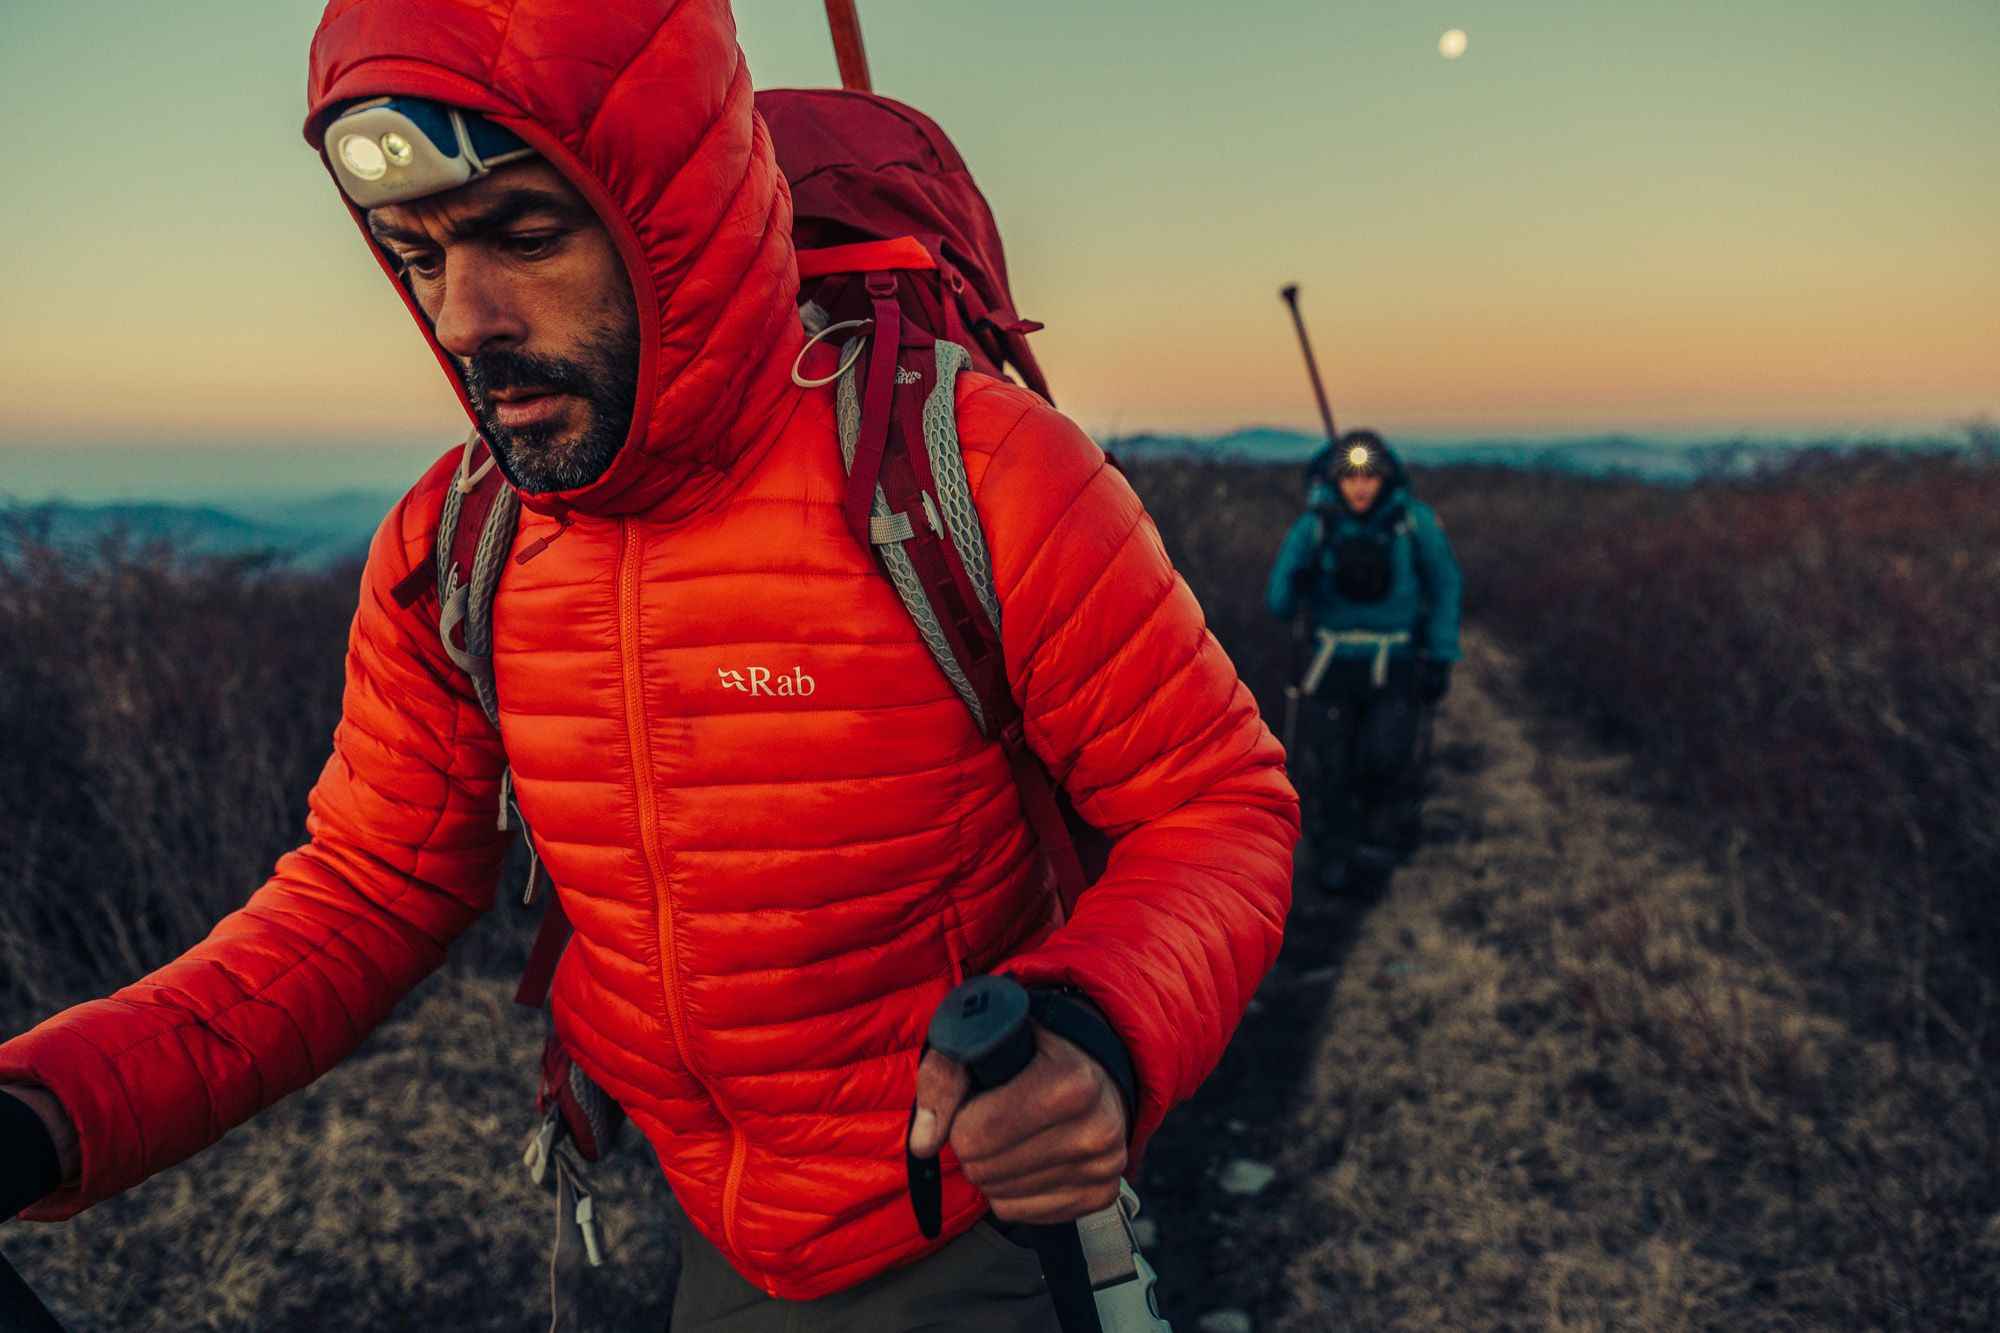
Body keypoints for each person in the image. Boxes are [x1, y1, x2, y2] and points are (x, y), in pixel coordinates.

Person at [0, 3, 1298, 1329]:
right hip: (714, 1235)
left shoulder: (975, 472)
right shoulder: (461, 546)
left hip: (990, 1227)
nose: (463, 319)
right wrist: (51, 1109)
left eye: (524, 235)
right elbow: (366, 889)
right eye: (417, 254)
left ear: (673, 218)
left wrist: (1096, 1029)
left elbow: (1214, 806)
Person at [1266, 430, 1462, 891]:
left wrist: (1440, 658)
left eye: (1370, 476)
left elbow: (1445, 589)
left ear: (1385, 478)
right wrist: (1302, 577)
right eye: (1350, 477)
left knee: (1387, 757)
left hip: (1396, 661)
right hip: (1332, 665)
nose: (1360, 487)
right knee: (1333, 764)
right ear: (1335, 479)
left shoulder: (1415, 524)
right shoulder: (1313, 528)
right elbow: (1278, 603)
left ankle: (1377, 848)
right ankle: (1334, 854)